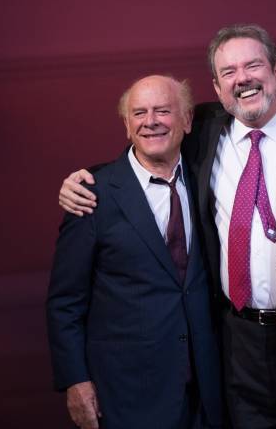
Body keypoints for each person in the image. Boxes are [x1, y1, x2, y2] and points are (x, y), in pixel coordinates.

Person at [58, 25, 276, 429]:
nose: (242, 79)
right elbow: (147, 146)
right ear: (216, 89)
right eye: (228, 72)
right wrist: (85, 178)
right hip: (237, 350)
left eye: (253, 65)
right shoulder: (205, 131)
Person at [47, 75, 222, 429]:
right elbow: (65, 302)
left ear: (187, 120)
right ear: (127, 126)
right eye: (139, 113)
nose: (151, 121)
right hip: (129, 394)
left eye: (163, 110)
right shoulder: (92, 197)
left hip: (209, 391)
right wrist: (74, 380)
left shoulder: (210, 179)